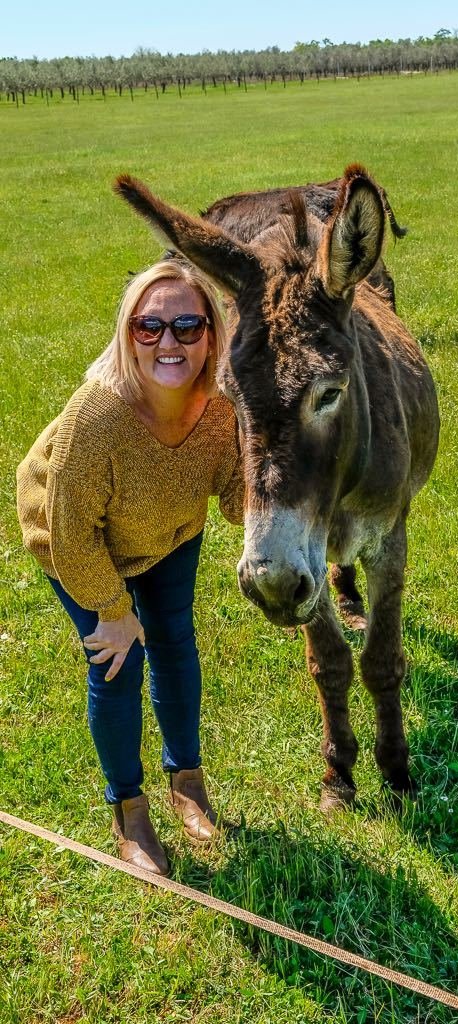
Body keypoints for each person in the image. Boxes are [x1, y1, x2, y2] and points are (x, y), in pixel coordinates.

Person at [16, 258, 244, 876]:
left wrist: (283, 482)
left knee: (174, 640)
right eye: (150, 327)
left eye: (187, 327)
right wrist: (115, 612)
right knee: (118, 662)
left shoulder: (223, 406)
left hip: (169, 531)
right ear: (129, 334)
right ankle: (130, 809)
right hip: (77, 541)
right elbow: (70, 532)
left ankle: (187, 781)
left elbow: (235, 496)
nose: (168, 342)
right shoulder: (97, 416)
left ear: (211, 336)